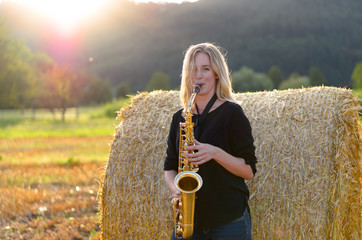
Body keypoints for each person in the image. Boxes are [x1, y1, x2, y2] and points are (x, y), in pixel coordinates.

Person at [164, 42, 257, 240]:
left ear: (216, 73)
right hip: (188, 221)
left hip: (229, 221)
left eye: (205, 69)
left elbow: (249, 171)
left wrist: (215, 153)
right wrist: (176, 191)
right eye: (193, 69)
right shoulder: (179, 117)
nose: (198, 75)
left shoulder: (233, 114)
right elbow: (170, 167)